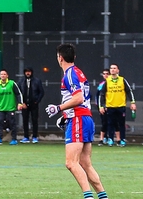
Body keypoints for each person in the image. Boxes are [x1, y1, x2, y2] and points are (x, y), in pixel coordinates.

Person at [45, 43, 107, 199]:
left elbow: (78, 98)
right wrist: (65, 113)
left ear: (60, 58)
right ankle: (103, 197)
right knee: (85, 163)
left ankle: (88, 197)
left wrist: (58, 108)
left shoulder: (70, 74)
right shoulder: (78, 72)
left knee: (71, 163)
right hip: (84, 118)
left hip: (78, 119)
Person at [98, 63, 135, 147]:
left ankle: (122, 140)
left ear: (118, 70)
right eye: (111, 68)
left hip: (121, 106)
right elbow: (102, 94)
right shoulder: (107, 81)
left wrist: (132, 102)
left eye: (114, 68)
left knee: (121, 124)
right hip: (110, 106)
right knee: (110, 123)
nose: (113, 70)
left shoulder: (122, 80)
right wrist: (101, 106)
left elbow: (129, 91)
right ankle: (111, 139)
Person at [0, 69, 23, 145]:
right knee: (0, 122)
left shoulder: (12, 83)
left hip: (10, 107)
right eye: (1, 74)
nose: (3, 76)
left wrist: (20, 103)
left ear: (7, 75)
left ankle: (14, 139)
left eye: (4, 74)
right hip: (0, 107)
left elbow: (18, 94)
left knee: (12, 123)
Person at [20, 66, 45, 143]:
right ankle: (26, 137)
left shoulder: (37, 81)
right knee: (25, 121)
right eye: (26, 71)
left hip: (34, 104)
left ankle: (34, 136)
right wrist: (21, 102)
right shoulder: (21, 81)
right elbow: (18, 92)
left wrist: (37, 101)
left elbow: (41, 92)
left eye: (29, 71)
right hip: (24, 104)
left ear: (31, 72)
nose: (28, 73)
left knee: (34, 120)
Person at [96, 69, 109, 146]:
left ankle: (111, 138)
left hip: (111, 106)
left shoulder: (112, 84)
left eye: (107, 74)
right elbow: (97, 96)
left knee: (112, 123)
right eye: (104, 74)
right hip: (102, 107)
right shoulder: (101, 84)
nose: (105, 75)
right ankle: (103, 138)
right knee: (104, 122)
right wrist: (100, 106)